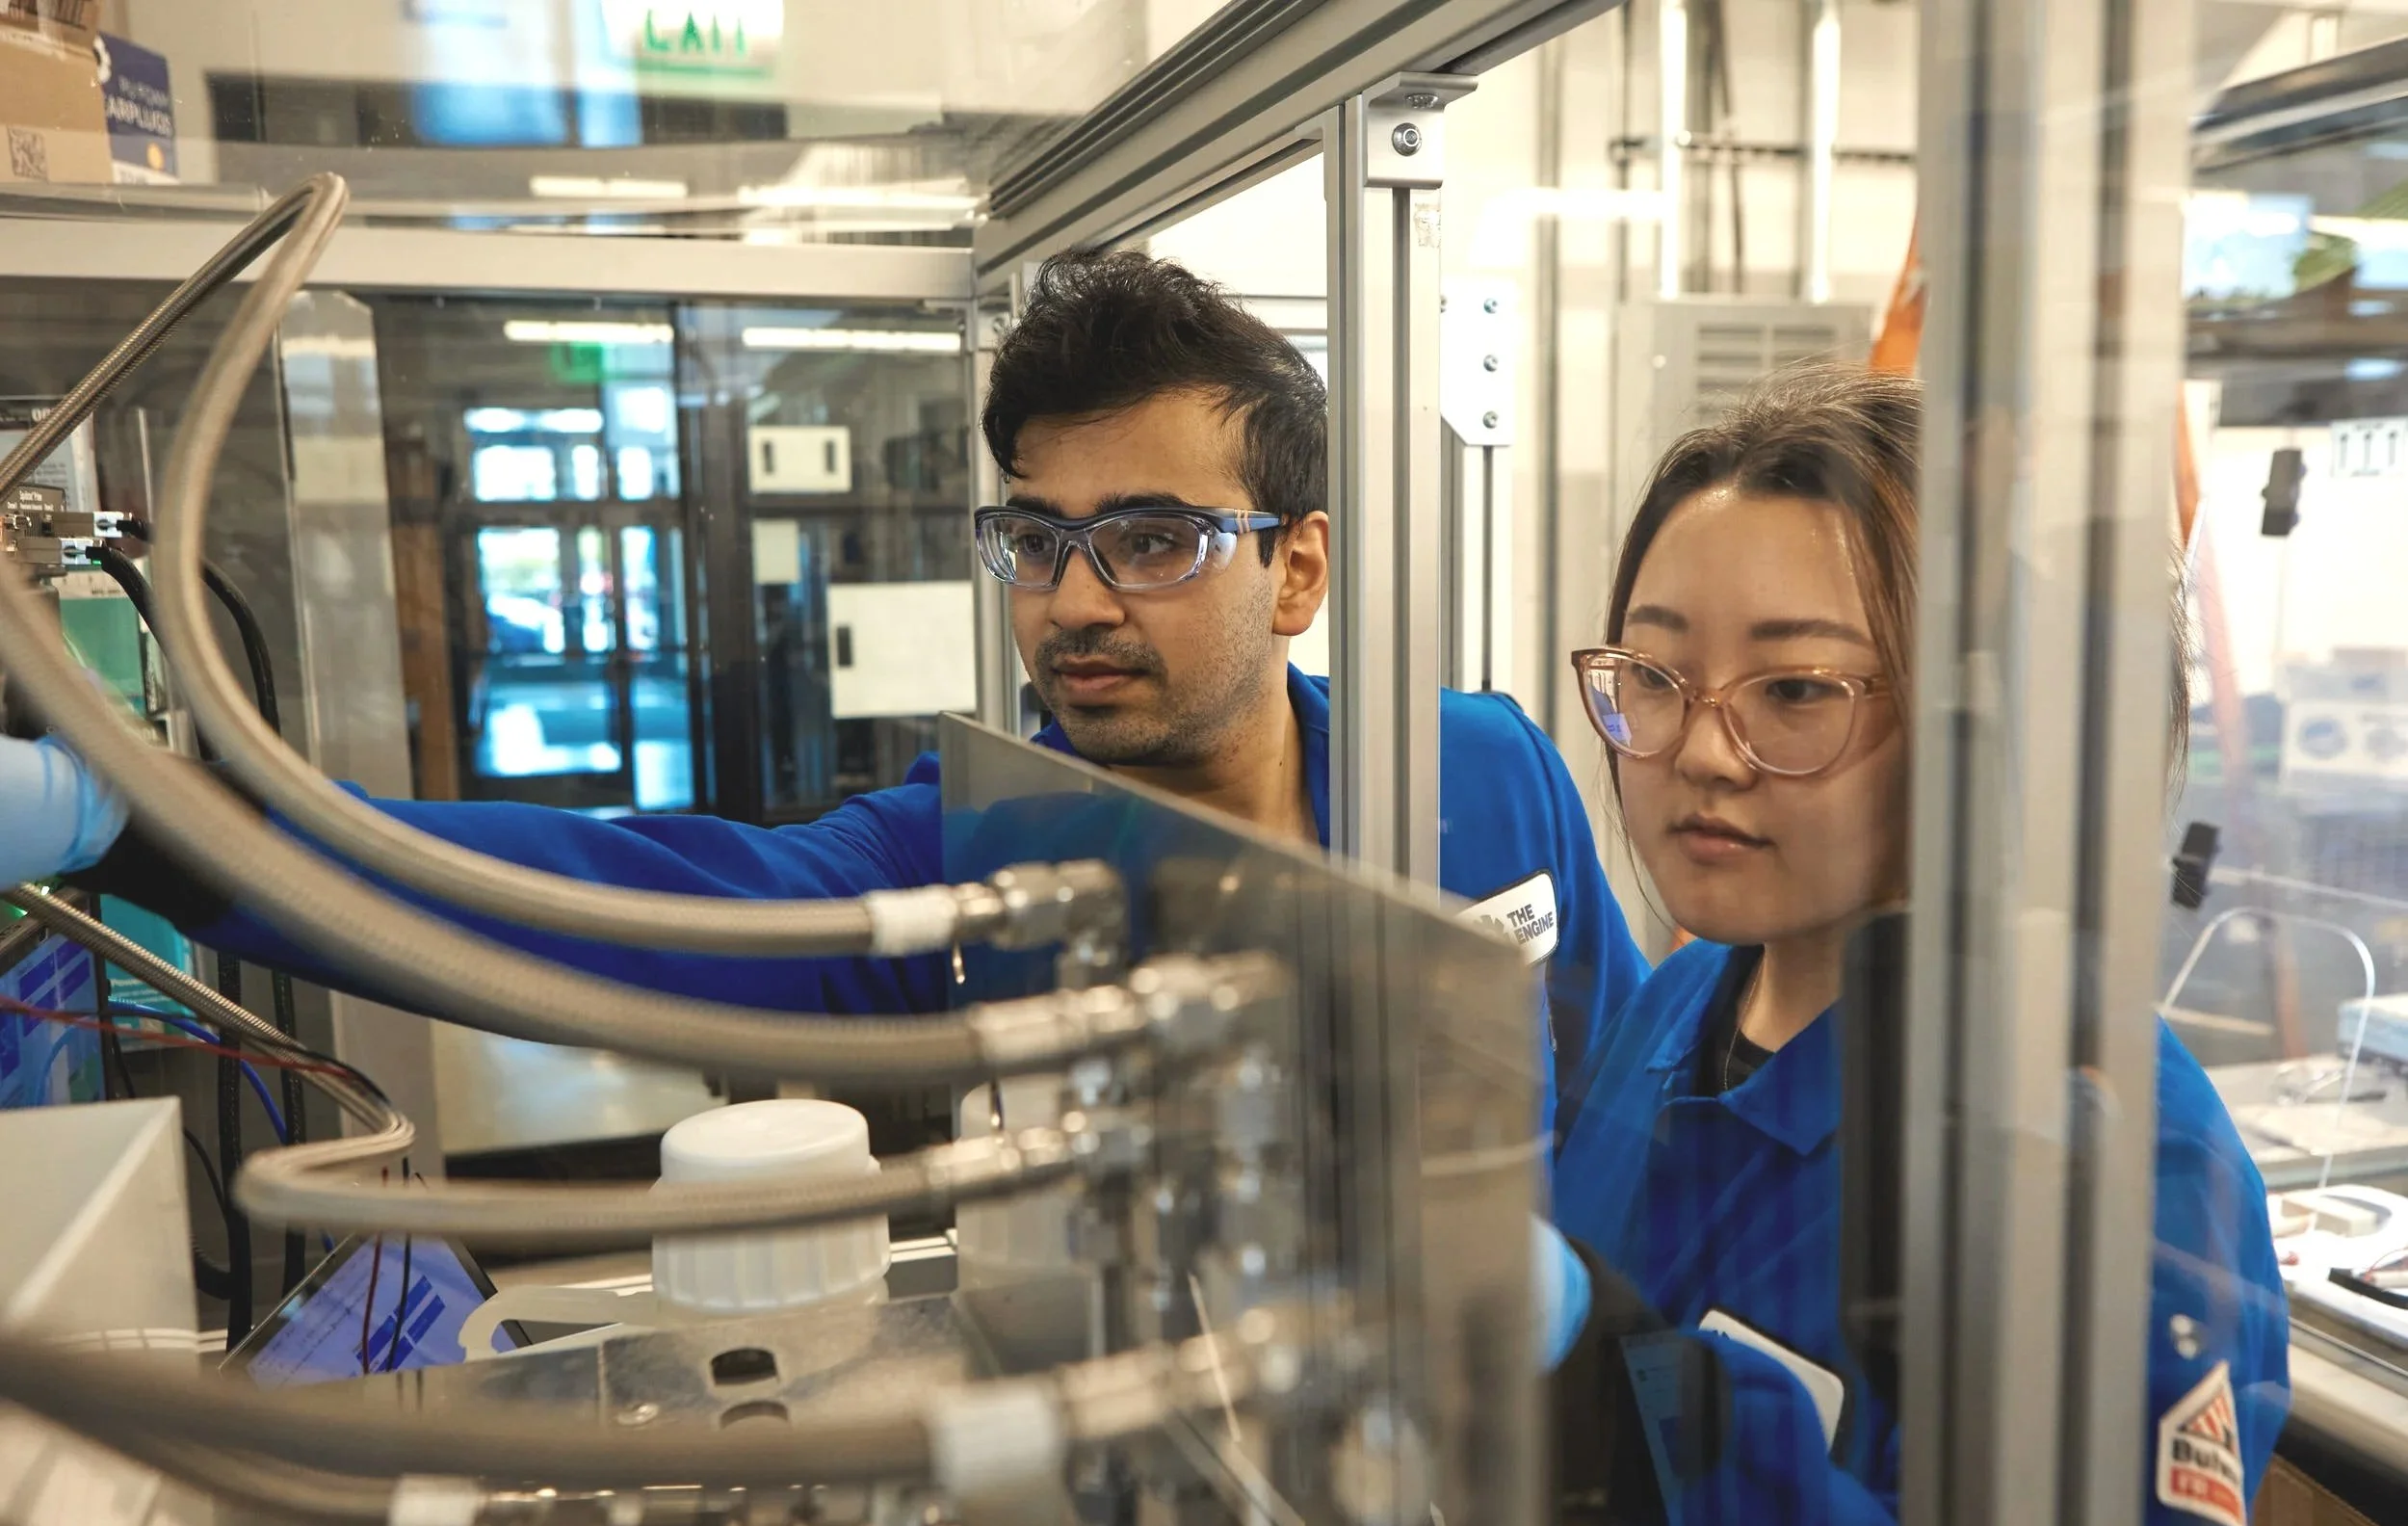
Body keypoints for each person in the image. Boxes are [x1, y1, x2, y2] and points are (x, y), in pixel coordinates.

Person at [0, 250, 1642, 1147]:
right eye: (1037, 538)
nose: (1072, 598)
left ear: (1294, 572)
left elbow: (1637, 1084)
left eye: (1149, 540)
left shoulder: (1484, 772)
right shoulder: (967, 869)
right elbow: (581, 910)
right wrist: (126, 811)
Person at [1545, 366, 2287, 1526]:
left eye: (1794, 691)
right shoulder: (1678, 1006)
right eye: (1657, 679)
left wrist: (1661, 1408)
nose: (1703, 754)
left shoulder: (2113, 1157)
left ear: (1982, 733)